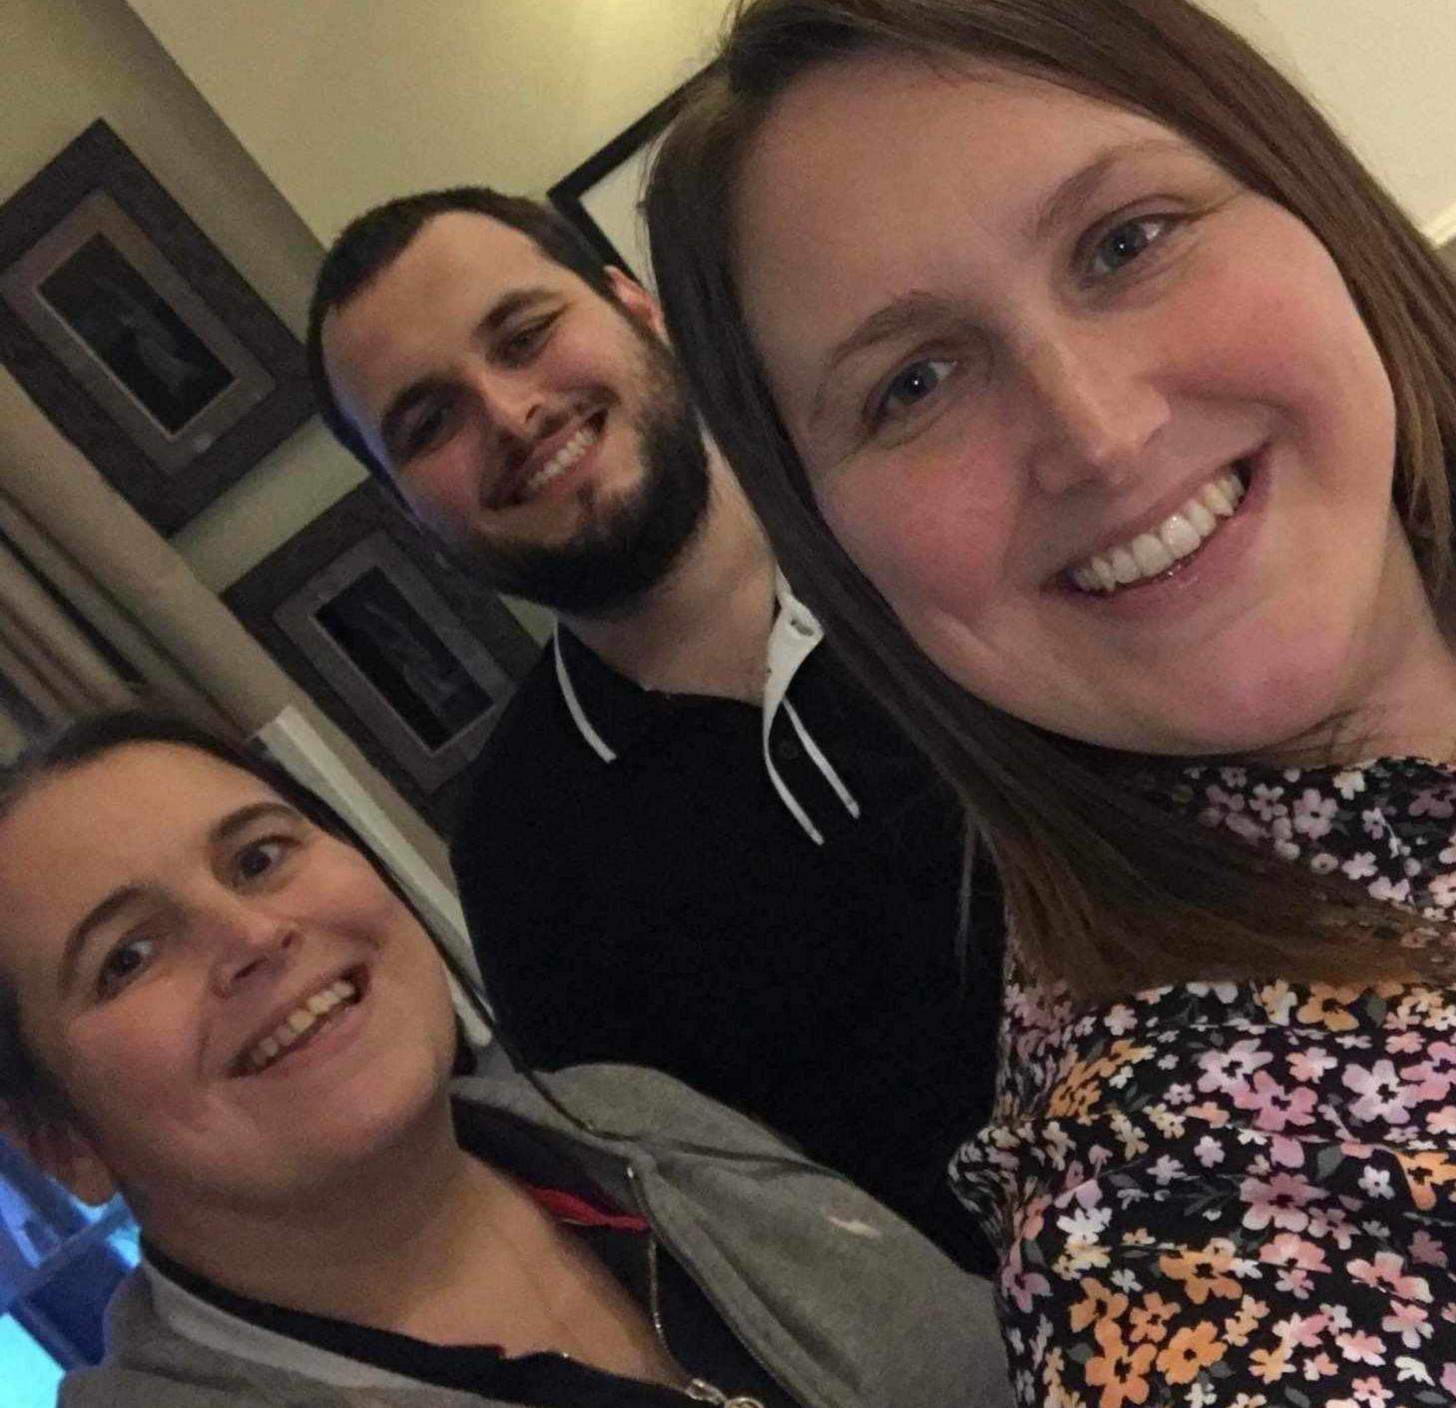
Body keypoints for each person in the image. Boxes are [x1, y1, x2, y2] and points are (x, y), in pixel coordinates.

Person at [643, 0, 1456, 1408]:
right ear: (832, 549)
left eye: (1127, 242)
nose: (1099, 431)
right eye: (915, 384)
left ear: (1302, 194)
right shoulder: (1185, 1229)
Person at [303, 188, 1002, 1269]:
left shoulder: (938, 503)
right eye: (429, 420)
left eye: (526, 336)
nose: (510, 412)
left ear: (637, 308)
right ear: (408, 510)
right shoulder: (522, 862)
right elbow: (724, 1245)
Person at [0, 710, 1012, 1408]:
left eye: (259, 857)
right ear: (63, 1144)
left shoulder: (631, 1113)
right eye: (127, 957)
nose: (252, 934)